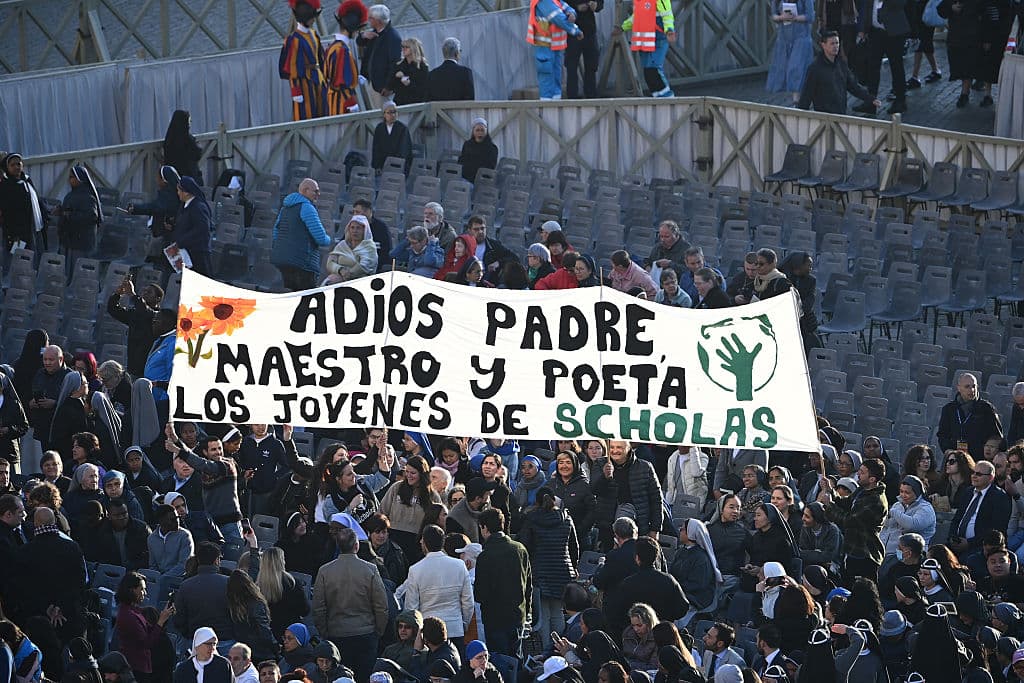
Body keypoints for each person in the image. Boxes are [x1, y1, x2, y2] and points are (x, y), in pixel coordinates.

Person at [312, 527, 388, 681]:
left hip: (337, 634)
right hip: (366, 633)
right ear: (356, 546)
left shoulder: (325, 571)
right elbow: (381, 606)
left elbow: (318, 608)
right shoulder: (370, 569)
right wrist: (378, 631)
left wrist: (325, 632)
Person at [519, 487, 580, 650]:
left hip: (540, 572)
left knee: (544, 614)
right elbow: (574, 546)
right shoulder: (566, 518)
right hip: (563, 572)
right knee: (558, 612)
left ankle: (547, 650)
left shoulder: (531, 519)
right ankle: (560, 648)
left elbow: (525, 545)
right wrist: (573, 566)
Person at [17, 506, 88, 645]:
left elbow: (25, 586)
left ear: (36, 524)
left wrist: (47, 607)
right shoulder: (72, 547)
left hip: (39, 616)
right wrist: (60, 606)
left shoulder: (25, 552)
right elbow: (80, 580)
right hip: (70, 612)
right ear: (55, 521)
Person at [165, 426, 244, 543]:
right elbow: (195, 459)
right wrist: (176, 440)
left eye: (219, 448)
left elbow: (203, 464)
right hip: (212, 523)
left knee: (233, 559)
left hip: (230, 524)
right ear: (205, 452)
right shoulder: (204, 464)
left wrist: (177, 450)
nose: (218, 452)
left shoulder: (227, 464)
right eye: (213, 449)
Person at [397, 524, 474, 646]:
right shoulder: (459, 565)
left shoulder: (415, 570)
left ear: (425, 543)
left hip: (428, 632)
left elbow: (412, 607)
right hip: (455, 628)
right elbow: (468, 601)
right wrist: (463, 624)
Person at [474, 508, 532, 658]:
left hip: (495, 619)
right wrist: (527, 612)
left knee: (500, 662)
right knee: (516, 661)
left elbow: (480, 594)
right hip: (518, 615)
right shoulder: (520, 549)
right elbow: (529, 585)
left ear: (484, 528)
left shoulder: (485, 556)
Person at [821, 457, 888, 583]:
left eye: (862, 473)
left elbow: (849, 521)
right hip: (851, 550)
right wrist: (831, 491)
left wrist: (830, 506)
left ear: (872, 479)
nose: (858, 474)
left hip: (865, 554)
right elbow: (846, 503)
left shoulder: (876, 501)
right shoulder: (862, 490)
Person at [606, 538, 690, 633]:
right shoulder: (669, 580)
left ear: (637, 558)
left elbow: (616, 612)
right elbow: (682, 607)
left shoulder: (628, 583)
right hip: (662, 633)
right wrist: (667, 617)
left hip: (636, 636)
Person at [593, 440, 664, 547]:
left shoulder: (645, 467)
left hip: (640, 527)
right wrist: (605, 477)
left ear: (628, 447)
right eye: (612, 447)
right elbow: (594, 490)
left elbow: (656, 500)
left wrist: (655, 529)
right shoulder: (600, 464)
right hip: (607, 528)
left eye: (619, 447)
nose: (615, 451)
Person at [271, 178, 331, 292]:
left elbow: (276, 232)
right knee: (306, 298)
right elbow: (321, 239)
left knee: (291, 295)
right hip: (303, 263)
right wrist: (329, 239)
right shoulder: (307, 208)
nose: (319, 194)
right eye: (315, 191)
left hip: (284, 261)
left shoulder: (285, 208)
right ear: (305, 190)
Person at [115, 572, 175, 682]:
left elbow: (150, 629)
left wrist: (163, 616)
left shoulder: (134, 611)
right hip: (136, 667)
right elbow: (147, 643)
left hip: (141, 664)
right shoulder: (128, 615)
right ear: (132, 590)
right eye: (142, 589)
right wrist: (160, 621)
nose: (145, 593)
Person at [949, 459, 1012, 558]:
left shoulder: (999, 497)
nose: (974, 476)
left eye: (979, 474)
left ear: (990, 478)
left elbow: (996, 529)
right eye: (973, 472)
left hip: (980, 547)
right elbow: (957, 518)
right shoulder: (968, 492)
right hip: (957, 543)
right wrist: (952, 538)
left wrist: (969, 543)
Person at [174, 542, 235, 642]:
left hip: (196, 641)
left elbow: (179, 618)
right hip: (225, 640)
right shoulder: (229, 583)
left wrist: (189, 634)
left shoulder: (186, 585)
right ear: (217, 560)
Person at [938, 373, 1004, 462]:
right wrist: (948, 450)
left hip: (979, 460)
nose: (972, 390)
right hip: (957, 459)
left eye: (974, 386)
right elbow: (942, 435)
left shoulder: (986, 409)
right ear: (959, 388)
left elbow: (997, 437)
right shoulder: (949, 409)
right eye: (967, 386)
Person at [615, 0, 675, 97]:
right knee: (648, 72)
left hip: (657, 38)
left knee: (654, 70)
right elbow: (637, 16)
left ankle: (668, 100)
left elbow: (667, 14)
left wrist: (669, 29)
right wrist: (623, 27)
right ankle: (659, 99)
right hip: (645, 41)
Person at [279, 0, 326, 121]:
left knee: (323, 111)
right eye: (311, 17)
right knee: (307, 114)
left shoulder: (314, 34)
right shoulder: (293, 40)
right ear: (304, 18)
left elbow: (321, 58)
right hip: (304, 82)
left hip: (318, 79)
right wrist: (296, 91)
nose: (314, 20)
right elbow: (291, 66)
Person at [527, 0, 582, 100]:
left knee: (556, 75)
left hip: (554, 45)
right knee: (547, 75)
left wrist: (571, 13)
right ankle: (547, 105)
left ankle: (556, 102)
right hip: (544, 46)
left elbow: (566, 7)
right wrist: (576, 30)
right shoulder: (543, 1)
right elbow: (557, 17)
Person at [0, 153, 48, 265]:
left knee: (35, 257)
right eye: (13, 165)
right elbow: (7, 213)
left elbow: (35, 199)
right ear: (7, 168)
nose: (17, 166)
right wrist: (12, 234)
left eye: (19, 163)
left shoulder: (26, 180)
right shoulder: (6, 186)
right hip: (18, 232)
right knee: (18, 260)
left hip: (34, 227)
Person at [766, 0, 815, 103]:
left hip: (801, 36)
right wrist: (781, 17)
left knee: (796, 66)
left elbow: (810, 16)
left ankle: (796, 98)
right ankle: (795, 95)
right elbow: (773, 15)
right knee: (783, 67)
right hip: (784, 36)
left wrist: (795, 17)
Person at [57, 166, 101, 279]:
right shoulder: (71, 195)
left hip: (82, 242)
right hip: (70, 240)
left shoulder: (88, 197)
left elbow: (91, 216)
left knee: (82, 274)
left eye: (72, 177)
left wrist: (69, 215)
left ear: (80, 179)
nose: (69, 180)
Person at [325, 0, 366, 115]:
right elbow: (342, 82)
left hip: (335, 97)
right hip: (342, 101)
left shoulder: (334, 46)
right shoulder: (341, 50)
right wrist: (351, 103)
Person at [29, 345, 71, 453]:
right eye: (45, 359)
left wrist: (55, 404)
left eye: (51, 360)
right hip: (43, 429)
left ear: (61, 359)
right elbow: (32, 392)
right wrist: (32, 403)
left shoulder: (70, 377)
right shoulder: (40, 373)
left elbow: (76, 405)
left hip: (63, 432)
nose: (47, 363)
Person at [359, 4, 403, 108]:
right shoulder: (374, 33)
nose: (368, 20)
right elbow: (359, 42)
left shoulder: (392, 37)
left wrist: (389, 86)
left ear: (378, 21)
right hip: (372, 82)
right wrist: (363, 36)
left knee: (383, 113)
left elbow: (395, 63)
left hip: (381, 86)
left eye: (371, 18)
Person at [172, 177, 213, 276]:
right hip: (187, 252)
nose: (177, 193)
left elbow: (202, 229)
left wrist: (181, 241)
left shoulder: (198, 207)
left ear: (186, 192)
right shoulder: (185, 205)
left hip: (198, 253)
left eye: (179, 190)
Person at [323, 215, 379, 284]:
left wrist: (345, 277)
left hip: (361, 282)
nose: (355, 231)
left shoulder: (369, 247)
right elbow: (330, 263)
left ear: (364, 230)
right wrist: (341, 270)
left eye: (358, 228)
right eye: (352, 228)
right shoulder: (342, 245)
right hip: (338, 276)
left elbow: (364, 267)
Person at [371, 102, 413, 173]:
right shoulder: (379, 128)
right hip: (382, 166)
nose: (393, 115)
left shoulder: (402, 128)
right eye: (390, 112)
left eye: (395, 112)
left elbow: (403, 151)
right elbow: (376, 149)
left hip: (400, 166)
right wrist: (377, 166)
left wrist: (392, 166)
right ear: (384, 114)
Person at [385, 37, 429, 105]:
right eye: (402, 47)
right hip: (400, 103)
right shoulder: (399, 65)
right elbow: (389, 86)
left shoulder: (422, 66)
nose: (403, 49)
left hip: (416, 103)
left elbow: (423, 89)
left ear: (414, 49)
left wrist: (409, 83)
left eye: (407, 47)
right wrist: (395, 77)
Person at [162, 111, 202, 181]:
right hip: (189, 176)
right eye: (189, 121)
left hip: (173, 177)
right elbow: (197, 155)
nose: (190, 123)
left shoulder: (170, 138)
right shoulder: (188, 139)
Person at [457, 119, 498, 184]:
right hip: (466, 178)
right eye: (477, 130)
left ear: (486, 132)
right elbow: (462, 161)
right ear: (473, 131)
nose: (480, 133)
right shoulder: (467, 145)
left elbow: (490, 167)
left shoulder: (492, 148)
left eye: (482, 130)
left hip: (483, 180)